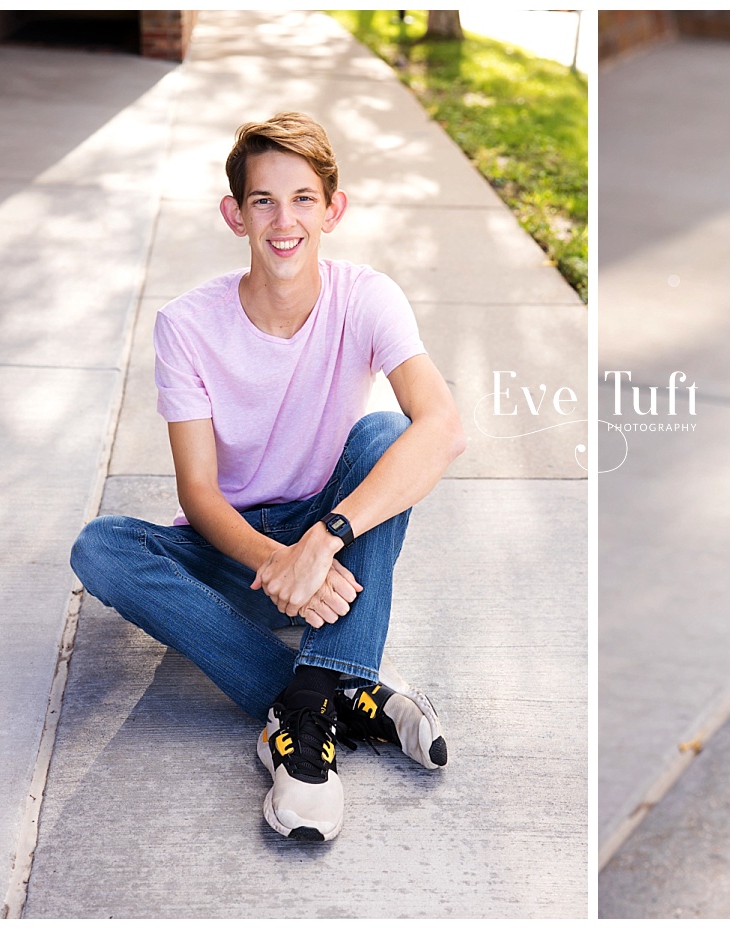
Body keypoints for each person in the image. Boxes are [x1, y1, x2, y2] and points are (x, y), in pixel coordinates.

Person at [69, 112, 465, 842]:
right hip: (236, 557)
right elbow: (199, 494)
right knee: (100, 547)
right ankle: (349, 685)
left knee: (388, 434)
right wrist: (282, 560)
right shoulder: (187, 326)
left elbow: (444, 425)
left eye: (304, 198)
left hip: (324, 532)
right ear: (235, 214)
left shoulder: (366, 296)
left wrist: (324, 538)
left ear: (333, 209)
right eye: (263, 201)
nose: (284, 221)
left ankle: (304, 711)